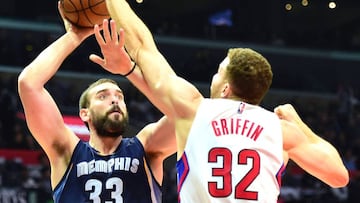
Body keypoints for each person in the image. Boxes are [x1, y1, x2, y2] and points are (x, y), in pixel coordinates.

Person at [90, 1, 350, 202]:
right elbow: (339, 176)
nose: (213, 77)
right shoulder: (280, 130)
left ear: (225, 88)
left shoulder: (194, 109)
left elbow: (143, 47)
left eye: (218, 72)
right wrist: (298, 122)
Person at [17, 2, 176, 203]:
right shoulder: (67, 152)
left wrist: (129, 70)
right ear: (85, 114)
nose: (114, 100)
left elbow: (186, 113)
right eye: (103, 96)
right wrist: (75, 35)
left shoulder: (146, 146)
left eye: (120, 96)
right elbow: (28, 83)